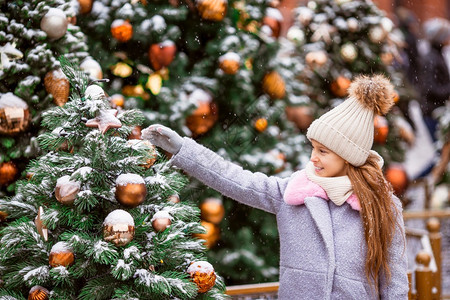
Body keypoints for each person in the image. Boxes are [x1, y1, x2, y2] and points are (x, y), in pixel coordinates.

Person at [142, 74, 408, 299]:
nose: (313, 157)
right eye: (313, 148)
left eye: (323, 151)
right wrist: (184, 149)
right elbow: (234, 178)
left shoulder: (383, 207)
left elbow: (394, 282)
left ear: (348, 156)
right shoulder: (293, 193)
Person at [419, 18, 450, 141]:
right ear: (440, 39)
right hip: (432, 112)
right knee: (441, 153)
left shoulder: (437, 55)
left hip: (435, 109)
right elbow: (430, 88)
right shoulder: (431, 58)